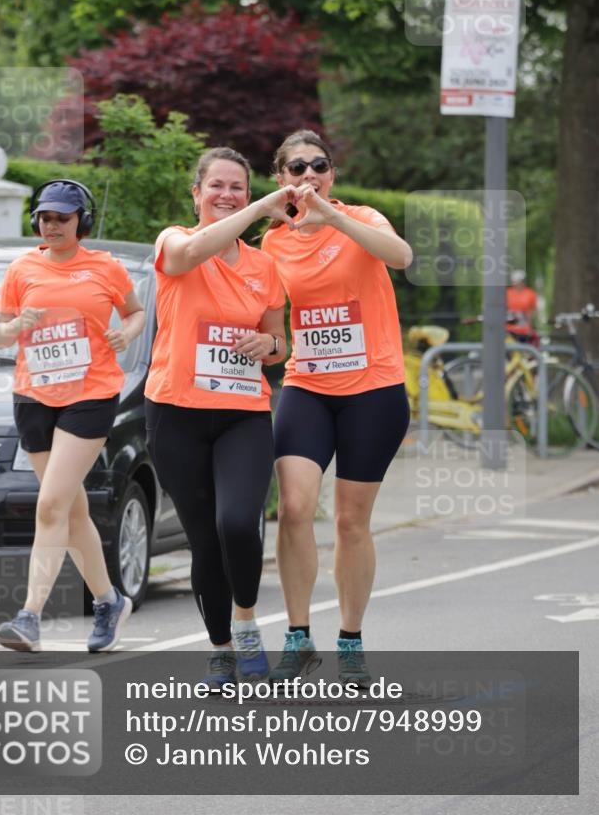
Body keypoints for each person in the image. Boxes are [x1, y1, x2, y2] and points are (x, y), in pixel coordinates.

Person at [261, 130, 412, 687]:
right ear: (280, 179)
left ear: (331, 175)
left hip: (373, 389)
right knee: (295, 508)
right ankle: (298, 638)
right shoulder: (273, 244)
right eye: (296, 167)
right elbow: (271, 325)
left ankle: (351, 640)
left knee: (351, 520)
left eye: (318, 165)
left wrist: (334, 220)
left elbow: (401, 257)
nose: (308, 174)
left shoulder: (365, 218)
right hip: (308, 384)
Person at [145, 147, 292, 688]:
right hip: (175, 413)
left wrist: (267, 342)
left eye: (238, 188)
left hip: (242, 414)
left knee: (237, 522)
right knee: (204, 538)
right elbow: (187, 258)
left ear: (247, 194)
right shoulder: (174, 241)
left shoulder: (264, 266)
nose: (227, 194)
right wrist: (254, 216)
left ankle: (248, 622)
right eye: (217, 186)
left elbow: (279, 344)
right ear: (197, 193)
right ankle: (221, 650)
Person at [0, 180, 146, 652]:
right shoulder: (22, 268)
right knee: (71, 509)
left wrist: (126, 334)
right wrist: (17, 326)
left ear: (82, 221)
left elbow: (135, 312)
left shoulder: (105, 267)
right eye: (45, 217)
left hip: (90, 395)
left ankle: (29, 616)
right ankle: (108, 600)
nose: (52, 224)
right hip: (34, 397)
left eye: (62, 217)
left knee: (51, 505)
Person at [506, 270, 539, 341]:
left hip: (524, 330)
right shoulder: (507, 293)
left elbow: (532, 311)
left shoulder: (530, 294)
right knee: (510, 350)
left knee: (523, 350)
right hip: (509, 329)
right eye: (514, 281)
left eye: (518, 281)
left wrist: (530, 327)